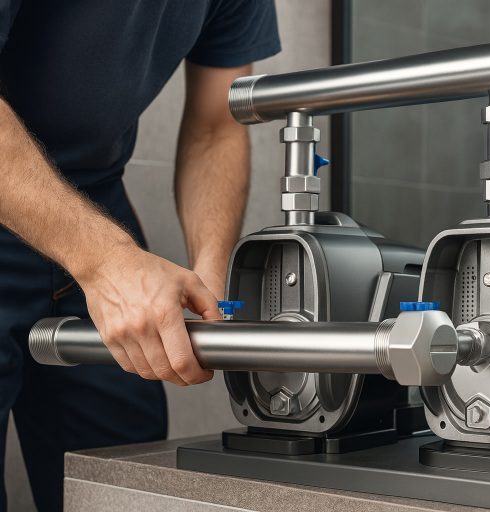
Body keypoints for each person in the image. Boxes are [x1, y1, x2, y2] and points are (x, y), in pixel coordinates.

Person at [0, 1, 280, 510]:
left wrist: (210, 275)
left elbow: (218, 124)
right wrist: (107, 263)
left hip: (95, 206)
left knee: (120, 484)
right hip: (63, 223)